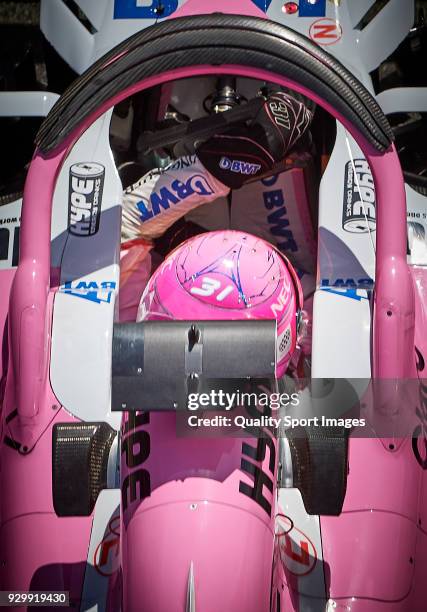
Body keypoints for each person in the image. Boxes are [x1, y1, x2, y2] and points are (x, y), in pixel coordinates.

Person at [119, 89, 315, 372]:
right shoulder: (328, 332)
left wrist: (210, 172)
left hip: (181, 240)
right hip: (284, 262)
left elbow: (114, 225)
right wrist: (215, 170)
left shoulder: (127, 368)